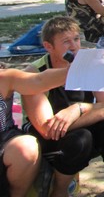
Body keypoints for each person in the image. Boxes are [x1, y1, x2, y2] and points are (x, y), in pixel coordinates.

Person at [21, 16, 104, 197]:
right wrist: (99, 111)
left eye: (76, 39)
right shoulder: (35, 73)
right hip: (44, 135)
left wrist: (79, 109)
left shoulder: (87, 63)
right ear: (48, 46)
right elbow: (48, 129)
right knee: (81, 139)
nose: (74, 46)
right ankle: (59, 192)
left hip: (77, 123)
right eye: (66, 42)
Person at [0, 63, 69, 197]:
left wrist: (75, 69)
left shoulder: (4, 77)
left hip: (4, 141)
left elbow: (39, 80)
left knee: (27, 146)